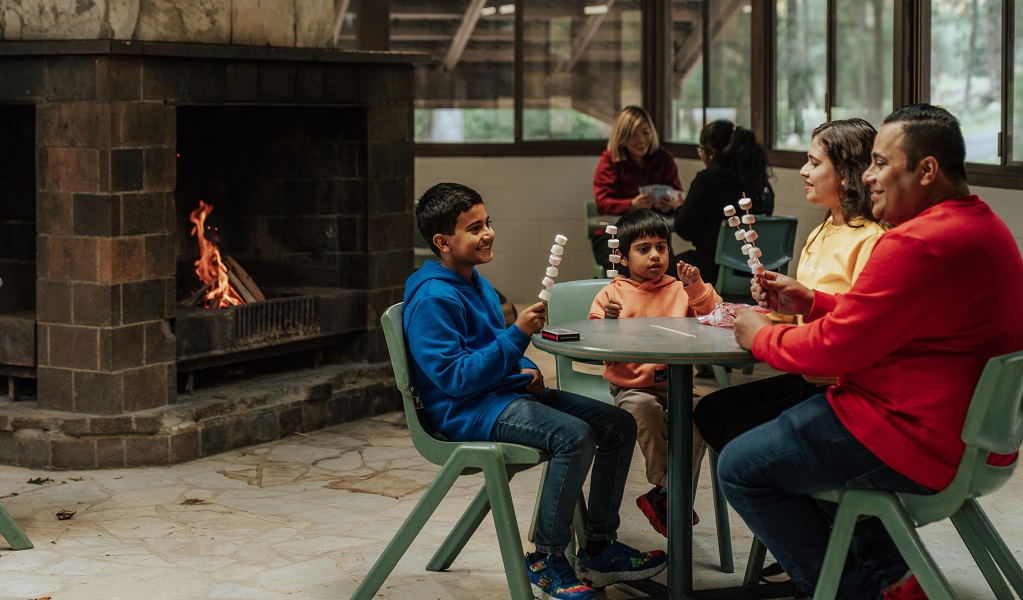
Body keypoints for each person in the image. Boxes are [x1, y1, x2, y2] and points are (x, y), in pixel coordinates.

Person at [717, 104, 1023, 600]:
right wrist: (815, 301)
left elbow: (835, 350)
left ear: (926, 170)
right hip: (982, 445)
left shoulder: (915, 244)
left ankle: (854, 591)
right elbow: (887, 320)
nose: (870, 177)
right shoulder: (985, 228)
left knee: (741, 467)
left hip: (913, 439)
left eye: (881, 163)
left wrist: (757, 336)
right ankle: (895, 577)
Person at [404, 183, 667, 600]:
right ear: (443, 242)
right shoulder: (434, 298)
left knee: (617, 424)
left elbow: (497, 347)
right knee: (573, 435)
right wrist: (517, 336)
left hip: (500, 395)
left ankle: (598, 547)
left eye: (488, 223)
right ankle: (546, 557)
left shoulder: (478, 284)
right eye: (474, 228)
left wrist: (527, 366)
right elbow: (454, 378)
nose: (488, 233)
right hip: (466, 411)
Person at [693, 118, 887, 455]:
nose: (802, 171)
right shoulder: (821, 230)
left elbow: (860, 327)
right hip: (810, 375)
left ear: (845, 173)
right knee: (712, 411)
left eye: (814, 163)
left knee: (741, 432)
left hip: (841, 386)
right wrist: (775, 306)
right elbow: (805, 313)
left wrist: (777, 327)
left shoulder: (872, 240)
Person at [588, 209, 721, 538]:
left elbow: (717, 316)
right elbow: (596, 340)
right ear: (623, 256)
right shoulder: (612, 294)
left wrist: (697, 287)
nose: (655, 256)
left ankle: (663, 496)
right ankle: (669, 491)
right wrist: (607, 321)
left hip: (679, 386)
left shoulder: (680, 289)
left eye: (661, 247)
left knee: (701, 415)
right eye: (644, 249)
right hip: (632, 388)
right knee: (642, 412)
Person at [673, 121, 774, 284]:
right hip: (756, 272)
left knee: (658, 270)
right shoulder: (761, 183)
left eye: (700, 149)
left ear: (711, 152)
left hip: (712, 271)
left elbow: (685, 229)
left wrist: (678, 207)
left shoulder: (706, 181)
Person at [592, 106, 683, 273]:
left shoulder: (664, 159)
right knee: (631, 268)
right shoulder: (610, 160)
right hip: (614, 235)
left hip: (653, 234)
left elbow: (677, 194)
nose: (641, 139)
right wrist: (631, 205)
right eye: (633, 134)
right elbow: (603, 203)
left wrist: (669, 204)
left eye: (646, 132)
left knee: (668, 271)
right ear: (622, 137)